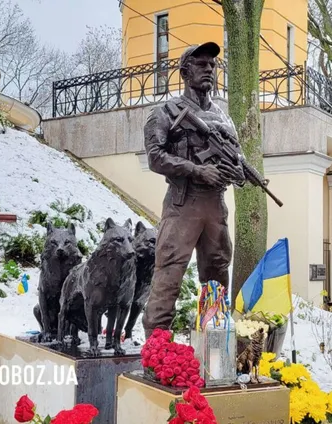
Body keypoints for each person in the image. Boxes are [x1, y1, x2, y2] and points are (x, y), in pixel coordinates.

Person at [142, 41, 246, 338]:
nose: (209, 70)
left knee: (217, 272)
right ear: (185, 71)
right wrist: (197, 170)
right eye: (201, 64)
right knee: (169, 273)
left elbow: (239, 159)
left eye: (213, 65)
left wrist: (236, 171)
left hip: (216, 205)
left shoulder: (224, 117)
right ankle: (156, 348)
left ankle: (214, 344)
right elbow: (155, 157)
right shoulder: (164, 112)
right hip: (182, 203)